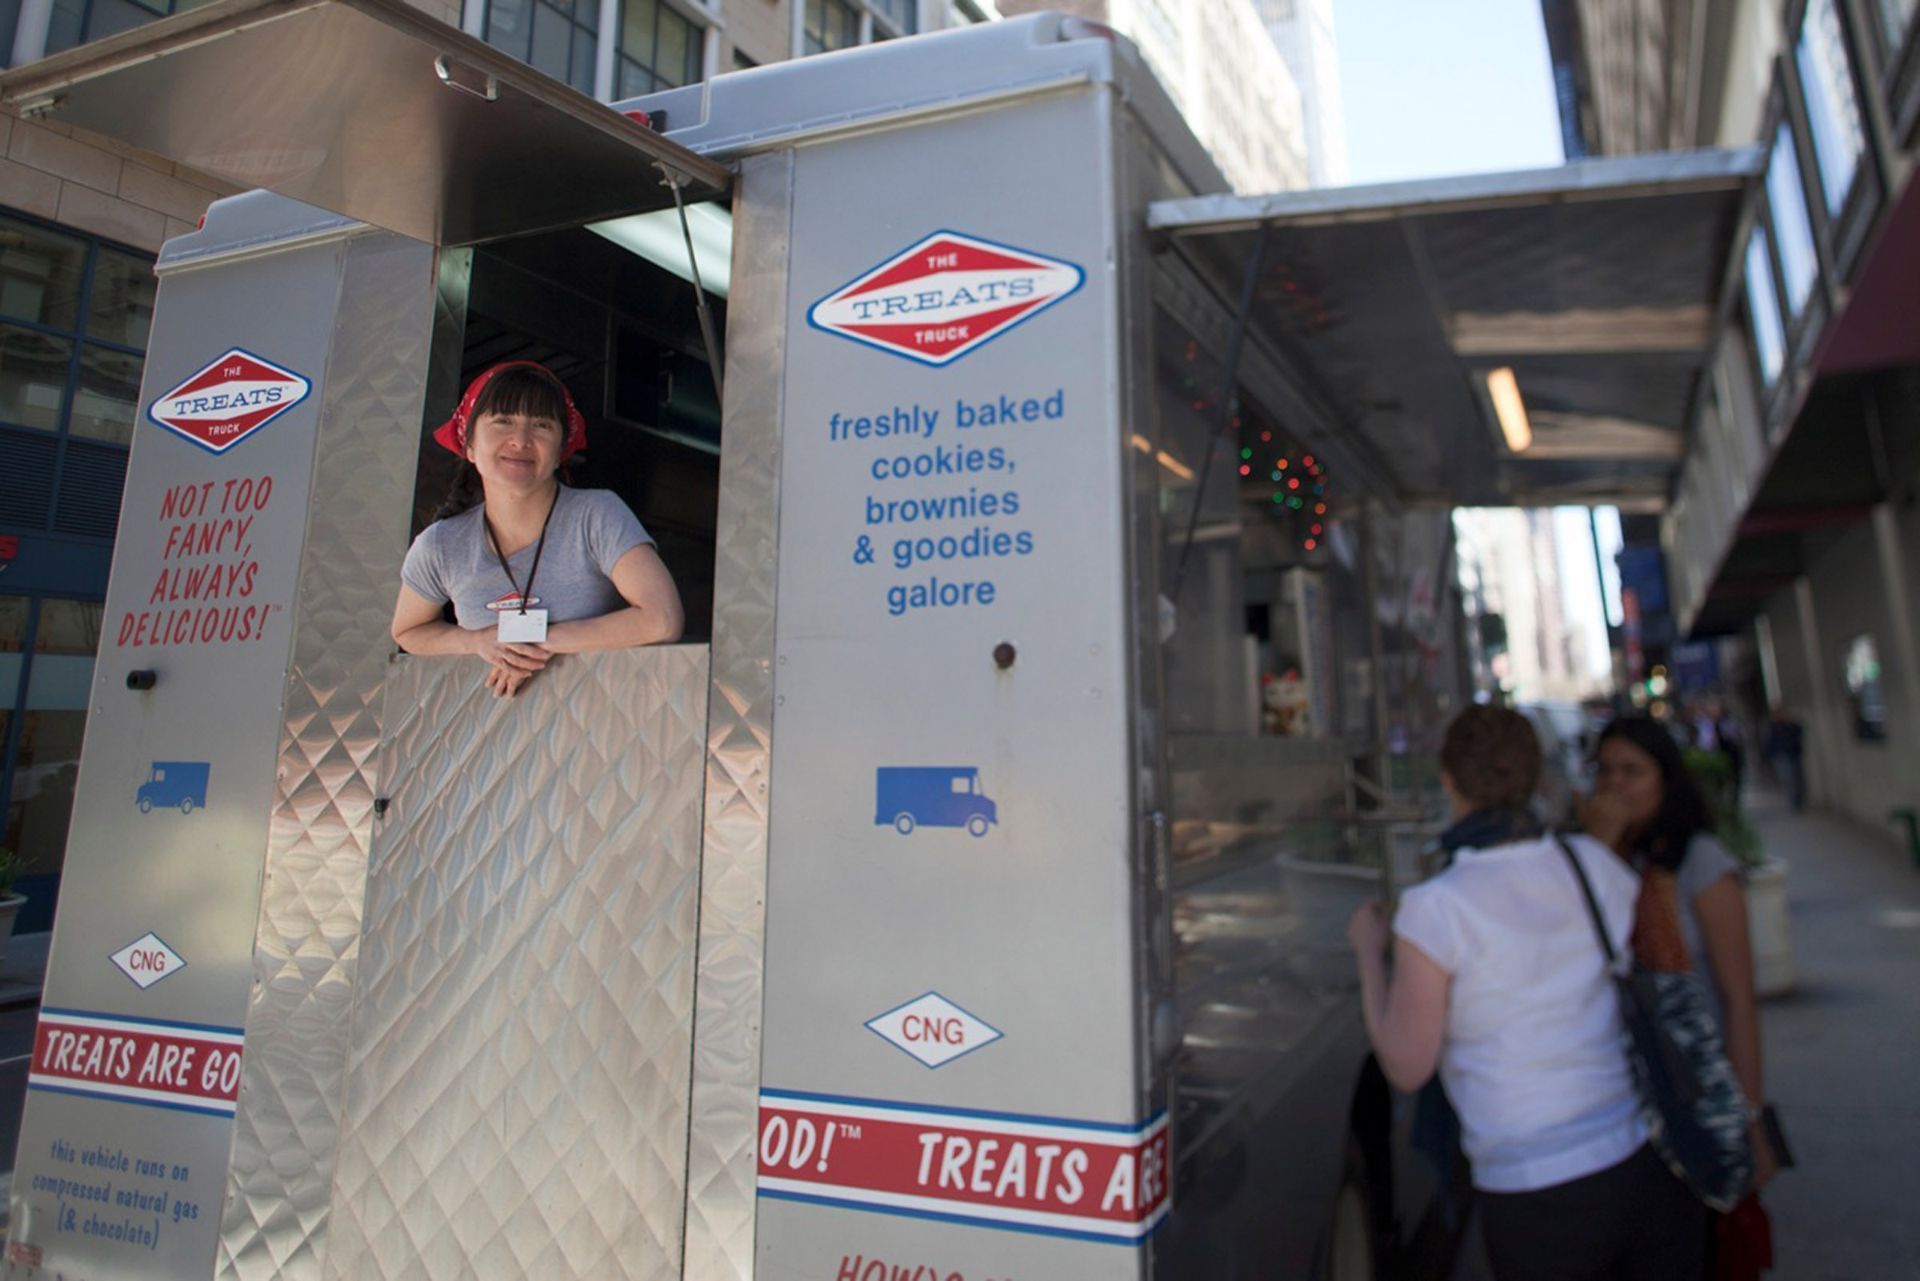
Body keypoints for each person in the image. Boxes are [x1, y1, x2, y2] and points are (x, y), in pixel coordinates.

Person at [1346, 705, 1706, 1281]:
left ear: (1448, 782)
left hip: (1535, 1192)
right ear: (1538, 779)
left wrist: (1369, 954)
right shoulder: (1596, 866)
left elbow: (1407, 1066)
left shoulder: (1435, 909)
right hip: (1641, 1162)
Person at [1584, 716, 1778, 1274]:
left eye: (1633, 771)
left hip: (1695, 1093)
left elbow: (1739, 999)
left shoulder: (1701, 861)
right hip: (1619, 1107)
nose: (1617, 785)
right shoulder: (1590, 862)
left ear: (1665, 779)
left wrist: (1751, 1118)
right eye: (1606, 771)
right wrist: (1599, 848)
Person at [391, 362, 683, 696]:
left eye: (541, 424)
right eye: (503, 421)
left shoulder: (597, 514)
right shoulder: (441, 544)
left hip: (604, 719)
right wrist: (476, 641)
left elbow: (662, 619)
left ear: (561, 452)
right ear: (469, 444)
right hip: (491, 733)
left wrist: (536, 643)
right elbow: (408, 631)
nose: (521, 440)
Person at [1762, 707, 1805, 812]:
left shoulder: (1790, 725)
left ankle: (1797, 800)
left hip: (1793, 754)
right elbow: (1770, 743)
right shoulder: (1773, 727)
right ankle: (1794, 802)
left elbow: (1799, 731)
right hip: (1781, 756)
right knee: (1788, 779)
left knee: (1797, 779)